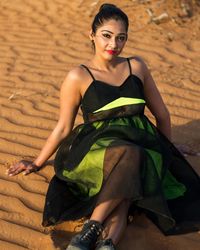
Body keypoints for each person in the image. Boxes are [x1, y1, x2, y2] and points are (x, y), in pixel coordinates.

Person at [7, 3, 200, 250]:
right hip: (98, 150)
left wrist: (166, 148)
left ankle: (102, 241)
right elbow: (64, 127)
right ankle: (97, 229)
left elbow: (162, 115)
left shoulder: (136, 67)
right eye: (106, 36)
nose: (113, 45)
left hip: (142, 144)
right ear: (92, 35)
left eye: (121, 38)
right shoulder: (78, 76)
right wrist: (37, 161)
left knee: (132, 167)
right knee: (131, 156)